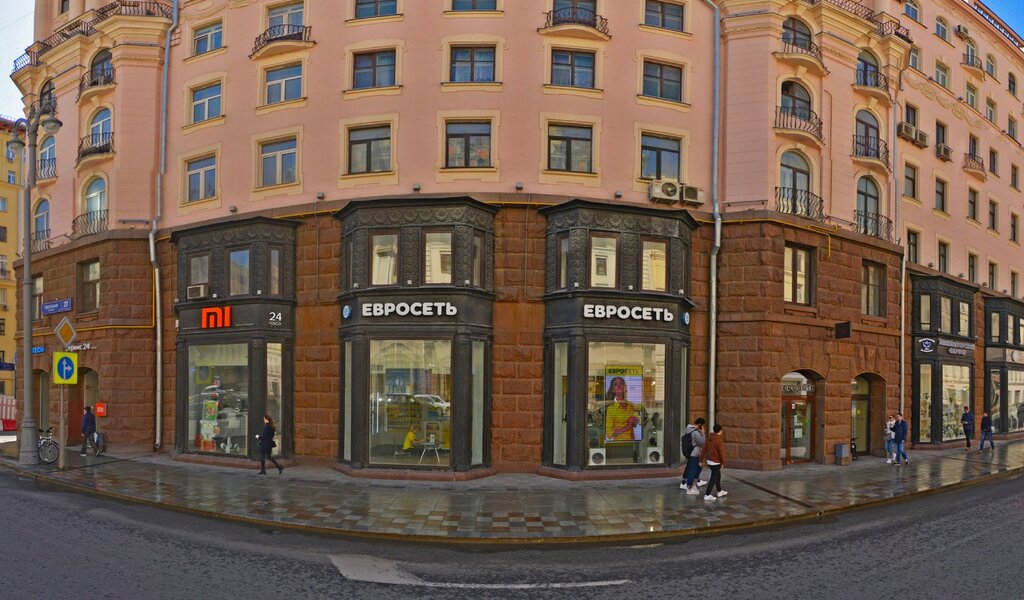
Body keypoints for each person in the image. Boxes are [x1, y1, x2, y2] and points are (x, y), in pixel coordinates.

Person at [604, 377, 639, 442]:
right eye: (615, 384)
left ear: (625, 387)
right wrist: (627, 427)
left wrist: (635, 420)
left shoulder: (631, 405)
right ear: (613, 390)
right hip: (620, 444)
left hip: (632, 442)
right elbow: (609, 434)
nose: (619, 385)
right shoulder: (610, 409)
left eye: (621, 383)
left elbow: (635, 423)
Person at [680, 417, 706, 494]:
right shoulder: (695, 432)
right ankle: (689, 487)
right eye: (703, 425)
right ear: (700, 424)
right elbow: (702, 442)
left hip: (690, 452)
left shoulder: (689, 429)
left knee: (691, 468)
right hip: (694, 453)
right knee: (693, 470)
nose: (703, 427)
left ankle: (686, 483)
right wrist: (703, 433)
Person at [701, 423, 727, 501]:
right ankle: (707, 494)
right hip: (716, 462)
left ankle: (719, 491)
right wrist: (722, 463)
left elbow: (703, 450)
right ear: (720, 431)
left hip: (709, 461)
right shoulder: (718, 440)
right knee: (713, 478)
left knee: (718, 475)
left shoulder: (708, 438)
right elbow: (721, 453)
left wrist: (701, 460)